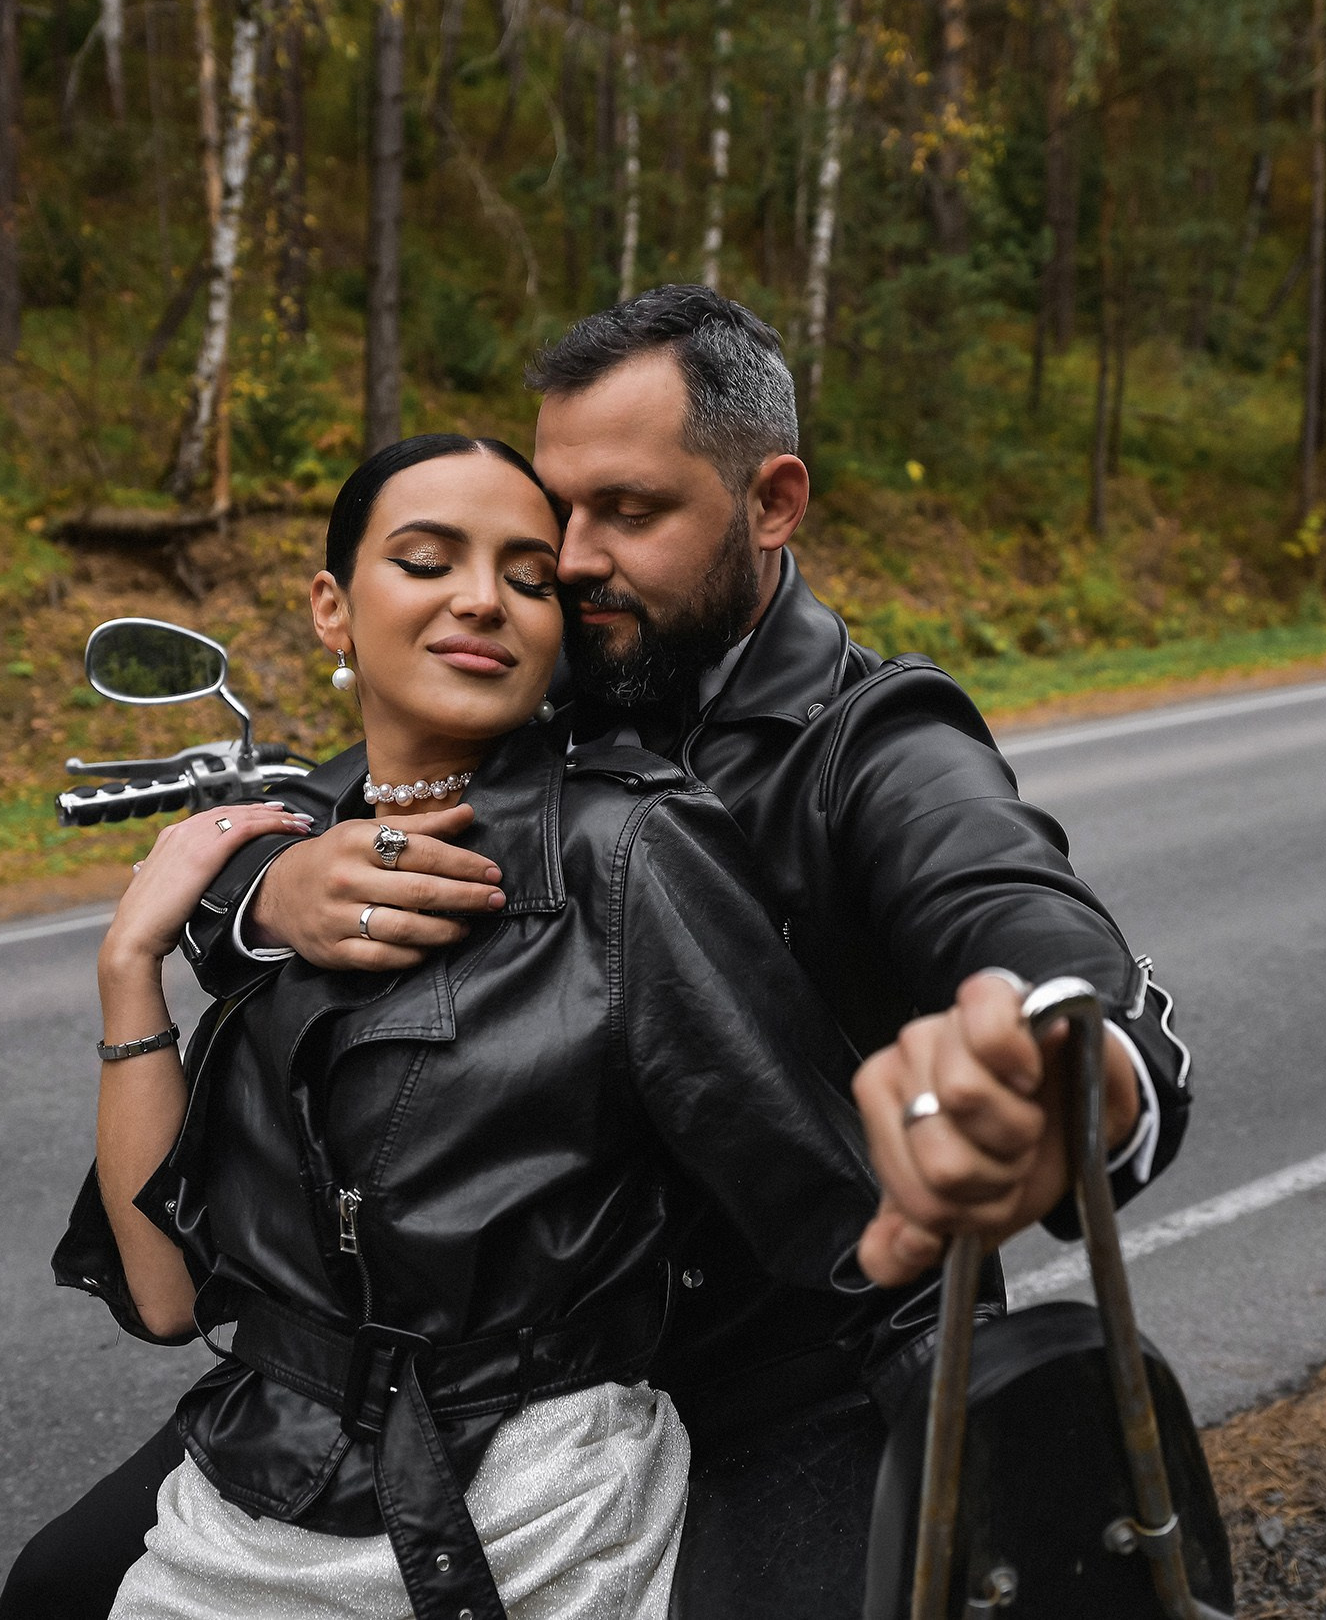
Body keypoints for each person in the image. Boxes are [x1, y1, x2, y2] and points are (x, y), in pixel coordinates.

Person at [0, 289, 1192, 1618]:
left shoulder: (877, 740)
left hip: (789, 1362)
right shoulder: (556, 669)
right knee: (56, 1584)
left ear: (772, 500)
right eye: (549, 512)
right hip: (464, 1366)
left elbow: (1016, 906)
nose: (562, 561)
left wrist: (1075, 1066)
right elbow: (328, 789)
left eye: (627, 511)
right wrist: (263, 886)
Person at [60, 433, 906, 1620]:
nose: (481, 600)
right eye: (424, 559)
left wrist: (989, 1431)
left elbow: (837, 1205)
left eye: (526, 577)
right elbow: (166, 1299)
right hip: (257, 1495)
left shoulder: (625, 850)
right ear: (331, 609)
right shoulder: (281, 868)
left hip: (537, 1518)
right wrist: (130, 967)